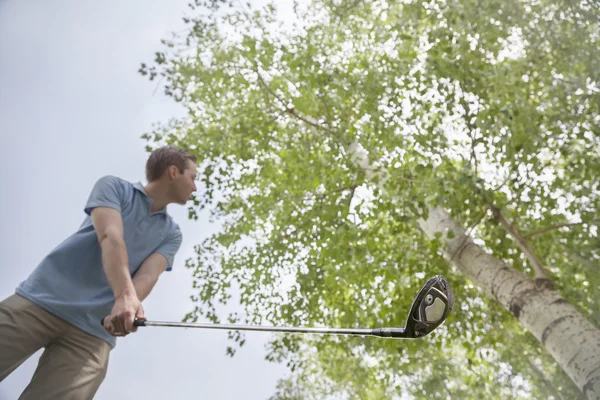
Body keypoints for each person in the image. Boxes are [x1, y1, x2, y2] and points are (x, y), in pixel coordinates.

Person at [0, 145, 197, 399]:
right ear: (173, 172)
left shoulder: (172, 233)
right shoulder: (114, 187)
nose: (194, 187)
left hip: (93, 334)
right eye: (192, 177)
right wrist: (124, 296)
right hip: (41, 302)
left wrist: (128, 307)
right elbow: (110, 235)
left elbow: (149, 275)